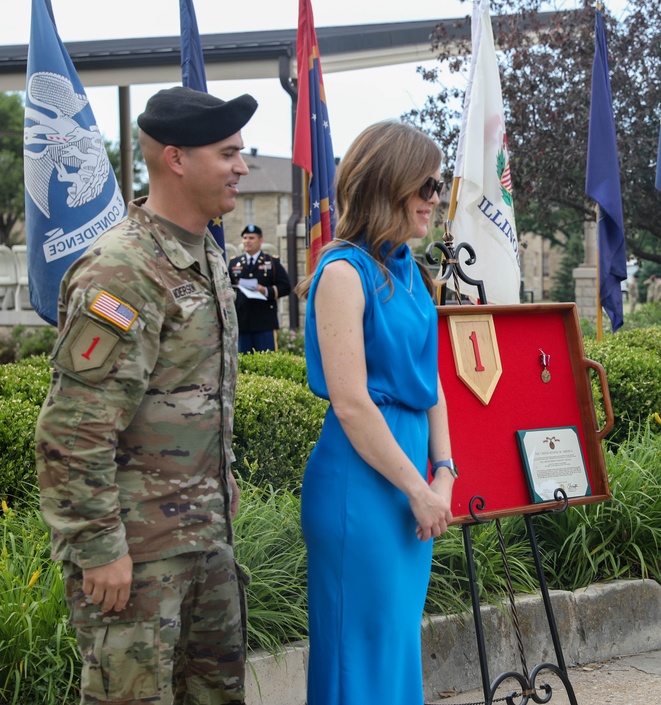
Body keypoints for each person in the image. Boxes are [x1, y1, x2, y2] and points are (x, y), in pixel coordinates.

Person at [34, 86, 257, 704]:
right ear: (176, 159)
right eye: (228, 153)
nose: (242, 167)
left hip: (205, 541)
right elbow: (73, 429)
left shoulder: (205, 253)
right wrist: (100, 549)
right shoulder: (124, 269)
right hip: (137, 558)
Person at [294, 121, 455, 705]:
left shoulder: (411, 272)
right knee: (356, 653)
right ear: (389, 186)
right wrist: (419, 487)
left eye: (437, 186)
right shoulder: (343, 273)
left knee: (394, 642)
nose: (435, 200)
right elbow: (353, 404)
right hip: (362, 482)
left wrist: (444, 470)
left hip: (413, 475)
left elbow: (430, 380)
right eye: (426, 186)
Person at [228, 224, 291, 352]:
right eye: (245, 238)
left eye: (251, 238)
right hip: (242, 322)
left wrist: (265, 290)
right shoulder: (235, 263)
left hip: (264, 322)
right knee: (243, 364)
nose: (247, 241)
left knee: (266, 361)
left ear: (260, 240)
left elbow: (285, 287)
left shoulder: (272, 262)